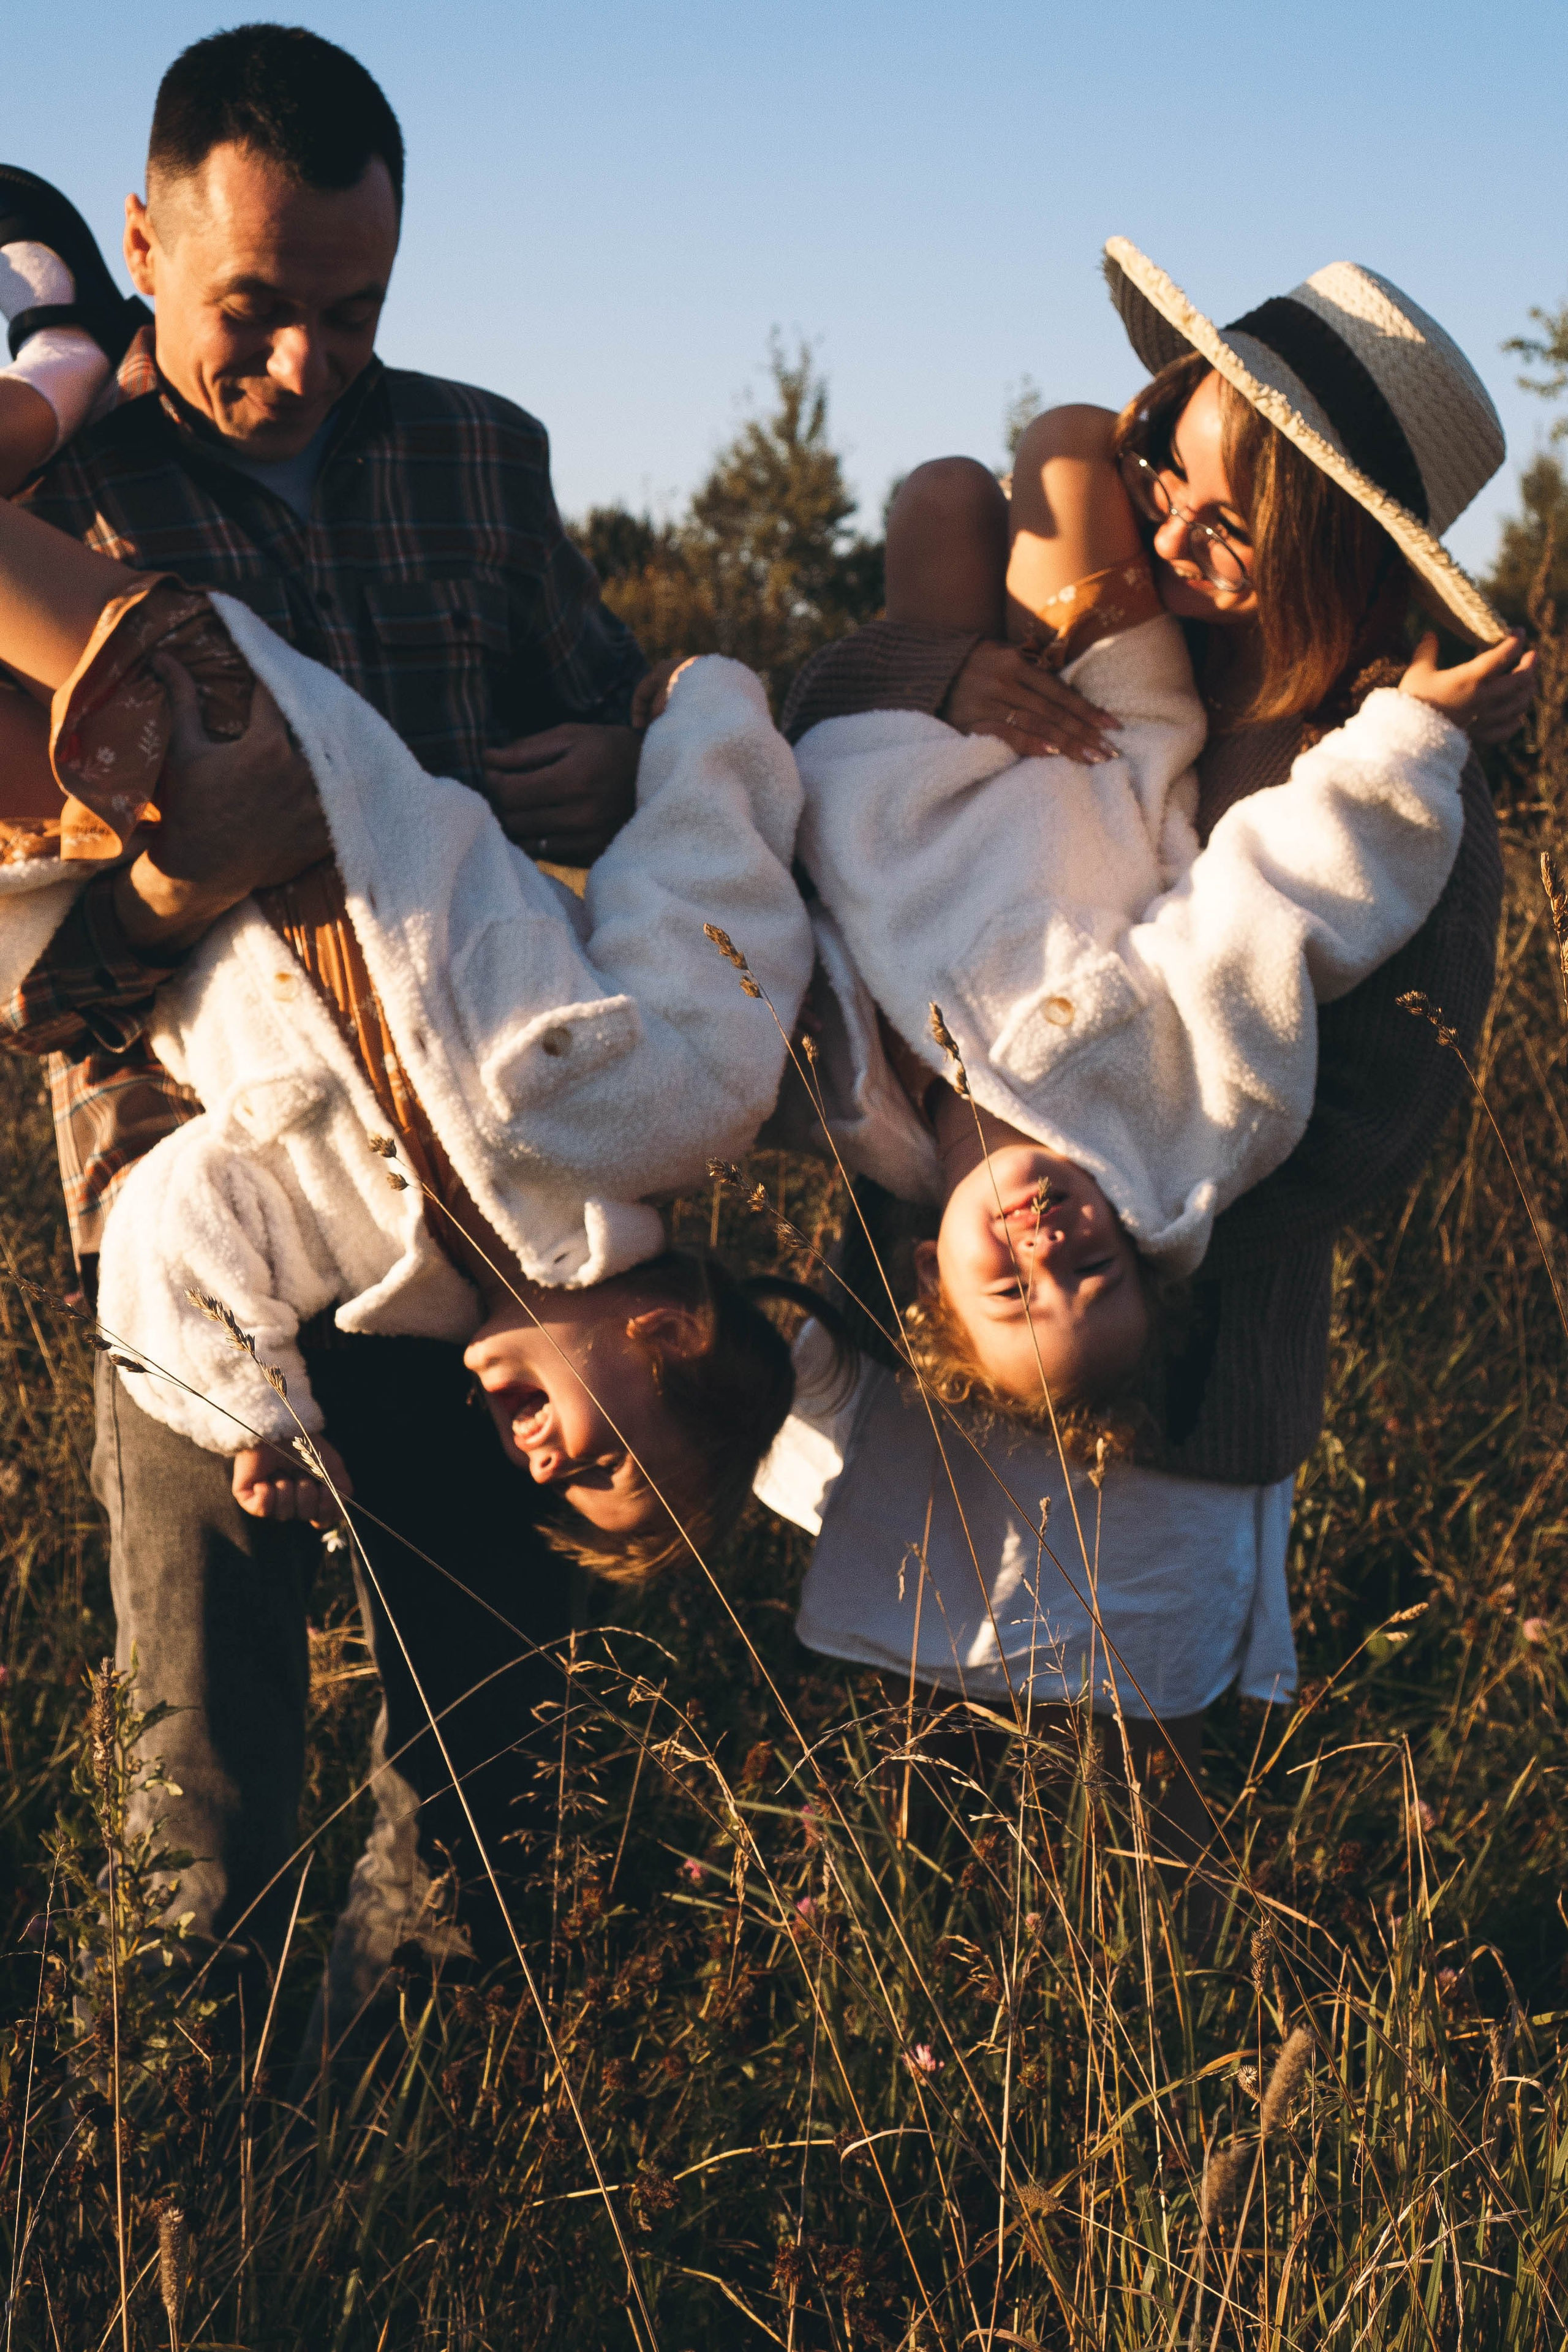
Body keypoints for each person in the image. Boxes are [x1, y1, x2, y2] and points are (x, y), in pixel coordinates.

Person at [0, 26, 655, 2035]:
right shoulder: (55, 500)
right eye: (252, 313)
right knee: (205, 1767)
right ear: (140, 242)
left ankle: (455, 2166)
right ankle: (208, 2176)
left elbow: (608, 712)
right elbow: (32, 982)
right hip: (188, 1219)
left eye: (355, 312)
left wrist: (617, 759)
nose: (305, 365)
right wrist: (193, 879)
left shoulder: (484, 452)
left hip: (476, 1227)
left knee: (486, 1754)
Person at [761, 241, 1532, 1848]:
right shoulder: (1100, 626)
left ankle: (1136, 2078)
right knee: (914, 1760)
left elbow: (1378, 1118)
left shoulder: (1390, 773)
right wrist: (944, 669)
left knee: (1137, 1801)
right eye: (1166, 473)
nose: (1172, 530)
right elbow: (837, 729)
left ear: (1340, 549)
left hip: (1181, 1366)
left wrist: (1111, 1183)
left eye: (1229, 523)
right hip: (935, 1307)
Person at [0, 499, 818, 1574]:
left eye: (554, 1494)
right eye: (595, 1471)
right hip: (270, 746)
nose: (535, 1468)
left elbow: (171, 1214)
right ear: (669, 1338)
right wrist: (705, 708)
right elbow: (711, 871)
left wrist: (263, 1419)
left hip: (92, 866)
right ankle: (47, 387)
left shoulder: (374, 1273)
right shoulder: (687, 1105)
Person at [794, 398, 1521, 1427]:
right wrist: (1415, 741)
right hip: (1097, 748)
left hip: (916, 777)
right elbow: (1278, 901)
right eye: (1172, 477)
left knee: (944, 501)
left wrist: (689, 718)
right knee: (1056, 445)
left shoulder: (864, 1120)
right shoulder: (1171, 1124)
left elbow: (764, 906)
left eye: (1230, 523)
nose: (1049, 1251)